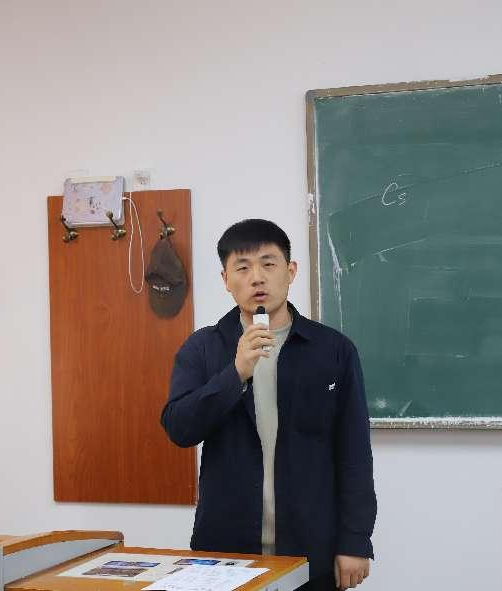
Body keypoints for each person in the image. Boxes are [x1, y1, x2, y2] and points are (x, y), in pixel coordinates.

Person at [161, 219, 376, 590]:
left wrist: (355, 540)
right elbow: (179, 428)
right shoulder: (203, 347)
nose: (257, 278)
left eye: (268, 264)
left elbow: (354, 452)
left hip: (313, 546)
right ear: (226, 280)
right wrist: (235, 374)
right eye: (242, 268)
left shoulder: (333, 350)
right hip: (226, 549)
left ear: (290, 271)